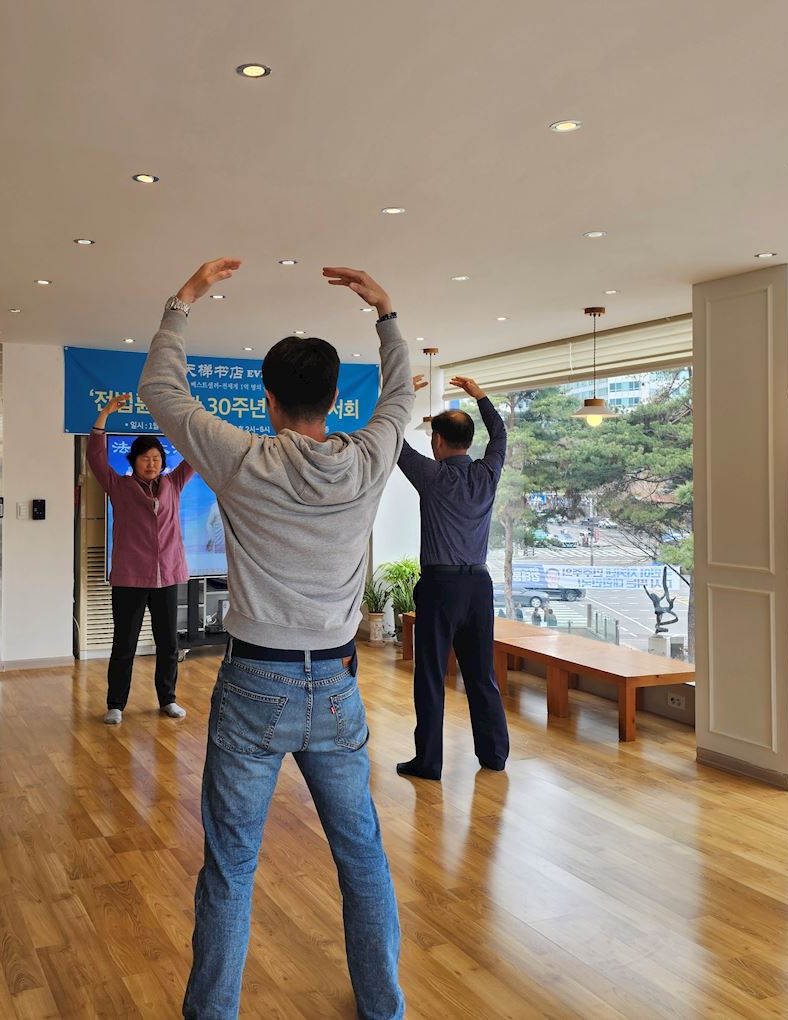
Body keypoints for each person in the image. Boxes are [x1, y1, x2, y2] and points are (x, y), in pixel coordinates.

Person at [139, 258, 412, 1020]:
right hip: (337, 688)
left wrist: (184, 299)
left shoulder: (243, 459)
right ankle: (384, 1009)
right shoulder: (368, 460)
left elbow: (161, 390)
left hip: (253, 683)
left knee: (230, 868)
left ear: (268, 401)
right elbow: (400, 397)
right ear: (334, 401)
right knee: (363, 859)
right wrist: (386, 314)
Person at [394, 376, 509, 781]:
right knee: (481, 674)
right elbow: (500, 435)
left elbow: (391, 439)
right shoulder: (487, 473)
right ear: (469, 441)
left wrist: (401, 394)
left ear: (438, 440)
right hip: (479, 586)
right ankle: (494, 755)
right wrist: (481, 396)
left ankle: (429, 761)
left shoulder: (431, 475)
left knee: (430, 675)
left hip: (440, 587)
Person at [86, 393, 193, 725]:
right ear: (133, 461)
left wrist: (188, 416)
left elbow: (194, 455)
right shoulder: (118, 486)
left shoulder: (174, 484)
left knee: (168, 644)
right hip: (130, 578)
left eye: (157, 458)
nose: (152, 463)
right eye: (145, 458)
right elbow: (95, 456)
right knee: (124, 645)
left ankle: (168, 699)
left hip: (167, 576)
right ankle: (116, 704)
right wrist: (105, 414)